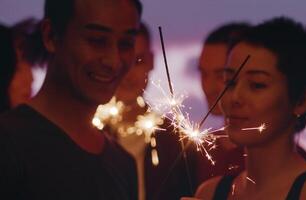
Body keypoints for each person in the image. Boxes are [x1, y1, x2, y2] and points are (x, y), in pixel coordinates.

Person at [0, 0, 142, 199]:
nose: (113, 60)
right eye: (97, 40)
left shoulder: (122, 163)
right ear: (50, 36)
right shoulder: (8, 144)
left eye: (126, 44)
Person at [194, 16, 306, 199]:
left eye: (257, 85)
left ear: (302, 101)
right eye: (230, 82)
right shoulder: (210, 192)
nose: (235, 97)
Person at [98, 22, 193, 200]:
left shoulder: (176, 140)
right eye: (121, 61)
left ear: (152, 61)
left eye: (138, 61)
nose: (128, 73)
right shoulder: (90, 134)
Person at [195, 22, 250, 185]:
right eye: (203, 74)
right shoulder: (197, 153)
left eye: (221, 76)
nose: (208, 87)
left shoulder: (278, 160)